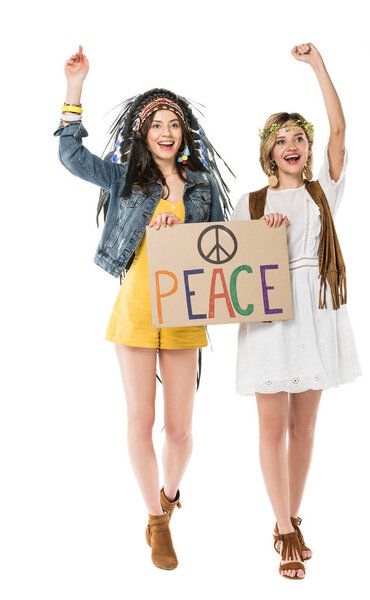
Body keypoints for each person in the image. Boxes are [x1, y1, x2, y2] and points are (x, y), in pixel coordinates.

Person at [54, 46, 230, 570]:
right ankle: (155, 521)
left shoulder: (201, 184)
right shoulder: (123, 177)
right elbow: (70, 157)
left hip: (183, 311)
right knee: (140, 419)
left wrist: (185, 230)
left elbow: (220, 244)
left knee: (178, 429)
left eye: (174, 122)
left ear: (185, 132)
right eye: (156, 122)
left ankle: (170, 495)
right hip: (135, 306)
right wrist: (74, 88)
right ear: (141, 131)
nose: (166, 130)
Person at [231, 43, 361, 579]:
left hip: (314, 308)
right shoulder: (251, 204)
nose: (292, 145)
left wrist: (317, 65)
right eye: (281, 139)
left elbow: (339, 128)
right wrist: (262, 240)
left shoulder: (322, 192)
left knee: (304, 428)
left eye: (299, 139)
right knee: (271, 425)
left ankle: (293, 518)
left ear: (308, 151)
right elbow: (233, 270)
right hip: (268, 315)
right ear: (268, 151)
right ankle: (282, 528)